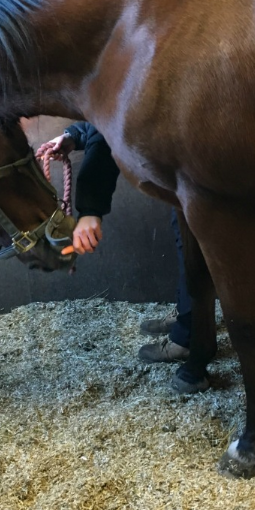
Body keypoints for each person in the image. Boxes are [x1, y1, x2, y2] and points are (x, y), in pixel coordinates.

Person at [44, 121, 192, 362]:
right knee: (187, 241)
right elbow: (107, 116)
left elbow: (109, 123)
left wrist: (91, 208)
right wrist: (75, 134)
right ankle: (190, 317)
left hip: (193, 165)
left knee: (193, 244)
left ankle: (189, 337)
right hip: (183, 168)